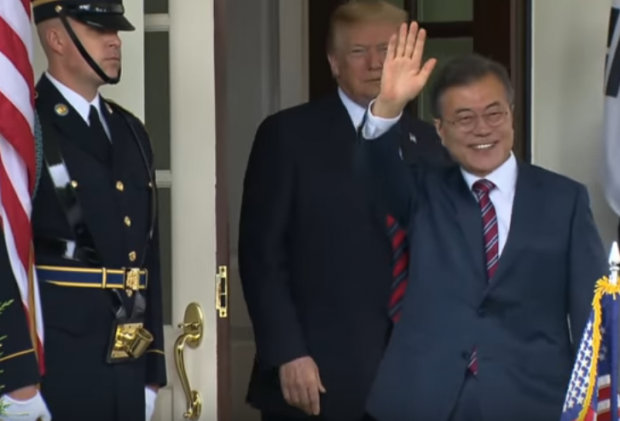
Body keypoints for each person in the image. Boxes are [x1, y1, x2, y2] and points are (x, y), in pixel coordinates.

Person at [358, 22, 608, 421]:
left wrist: (599, 402)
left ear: (511, 116)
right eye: (464, 118)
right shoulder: (420, 191)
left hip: (531, 401)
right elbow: (374, 173)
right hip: (422, 399)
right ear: (440, 130)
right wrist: (387, 106)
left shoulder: (565, 200)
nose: (482, 129)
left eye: (494, 114)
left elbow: (592, 315)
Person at [237, 2, 452, 421]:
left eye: (387, 50)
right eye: (358, 51)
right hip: (317, 379)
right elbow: (261, 257)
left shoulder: (431, 144)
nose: (375, 64)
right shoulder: (287, 136)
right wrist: (287, 353)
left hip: (414, 381)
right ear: (334, 63)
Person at [0, 1, 167, 420]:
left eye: (116, 31)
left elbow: (147, 256)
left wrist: (153, 372)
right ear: (56, 39)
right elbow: (6, 255)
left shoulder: (131, 131)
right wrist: (16, 377)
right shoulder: (25, 131)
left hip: (127, 364)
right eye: (98, 30)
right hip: (56, 365)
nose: (115, 41)